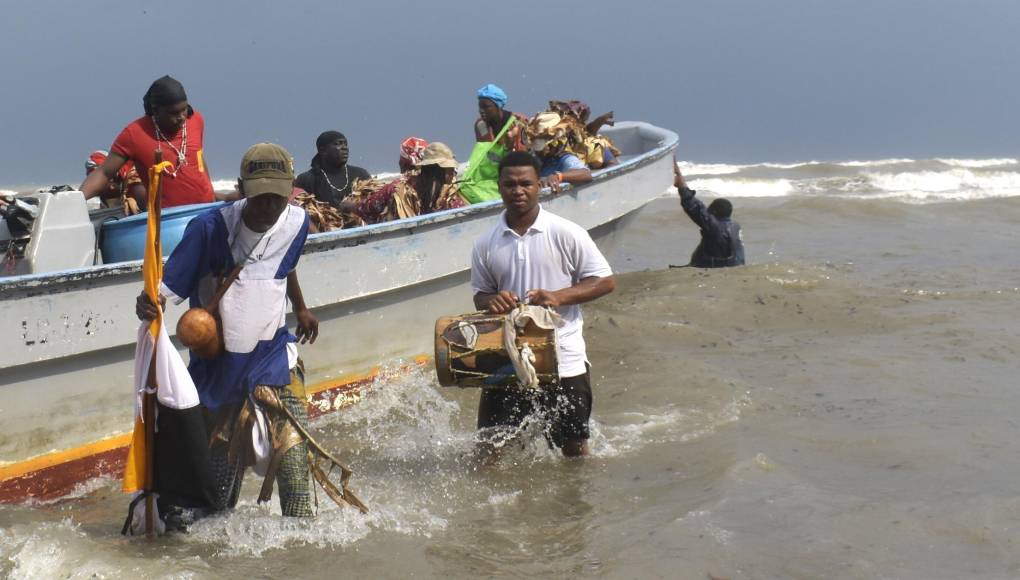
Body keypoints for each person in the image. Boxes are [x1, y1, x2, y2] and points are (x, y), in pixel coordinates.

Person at [136, 143, 321, 519]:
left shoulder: (298, 222)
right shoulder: (208, 229)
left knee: (295, 463)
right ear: (240, 188)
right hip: (220, 369)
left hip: (274, 358)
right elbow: (163, 293)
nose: (269, 208)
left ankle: (303, 551)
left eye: (277, 198)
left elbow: (285, 264)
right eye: (260, 198)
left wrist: (300, 307)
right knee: (218, 496)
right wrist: (148, 304)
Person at [470, 151, 615, 457]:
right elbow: (481, 294)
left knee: (574, 451)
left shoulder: (567, 232)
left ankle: (574, 505)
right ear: (499, 186)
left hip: (565, 359)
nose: (518, 190)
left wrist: (558, 296)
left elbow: (604, 280)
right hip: (506, 358)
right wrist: (492, 301)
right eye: (510, 184)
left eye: (526, 183)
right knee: (489, 451)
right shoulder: (485, 243)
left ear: (539, 185)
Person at [80, 76, 215, 208]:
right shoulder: (134, 134)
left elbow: (198, 159)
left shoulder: (196, 120)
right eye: (173, 113)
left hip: (206, 212)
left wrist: (213, 198)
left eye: (184, 109)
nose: (181, 117)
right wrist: (75, 200)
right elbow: (105, 172)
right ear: (155, 110)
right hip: (168, 220)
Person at [341, 141, 466, 224]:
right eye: (448, 169)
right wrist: (348, 206)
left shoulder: (450, 197)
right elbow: (369, 207)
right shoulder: (397, 189)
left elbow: (367, 209)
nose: (453, 172)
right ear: (436, 170)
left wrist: (348, 206)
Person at [460, 84, 530, 204]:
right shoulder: (481, 125)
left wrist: (509, 142)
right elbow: (481, 155)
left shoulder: (518, 124)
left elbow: (521, 159)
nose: (481, 111)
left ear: (498, 106)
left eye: (486, 107)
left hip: (510, 175)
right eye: (480, 107)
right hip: (486, 176)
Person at [674, 164, 745, 268]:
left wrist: (682, 185)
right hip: (736, 266)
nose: (708, 212)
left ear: (714, 212)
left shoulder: (715, 226)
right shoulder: (735, 226)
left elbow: (694, 207)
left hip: (715, 268)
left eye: (709, 210)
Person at [294, 131, 371, 208]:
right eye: (338, 144)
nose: (344, 147)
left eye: (345, 144)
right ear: (322, 150)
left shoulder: (361, 175)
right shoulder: (306, 180)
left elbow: (373, 205)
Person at [527, 112, 593, 191]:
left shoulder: (564, 159)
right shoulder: (535, 158)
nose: (540, 151)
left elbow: (586, 174)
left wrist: (557, 176)